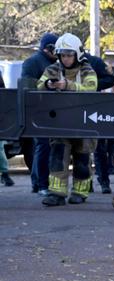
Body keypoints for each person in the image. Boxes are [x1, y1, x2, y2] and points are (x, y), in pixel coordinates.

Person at [37, 33, 98, 206]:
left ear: (77, 54)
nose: (66, 59)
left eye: (69, 55)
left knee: (82, 159)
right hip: (60, 122)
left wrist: (68, 86)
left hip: (84, 122)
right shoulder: (53, 69)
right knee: (58, 157)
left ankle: (80, 192)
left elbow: (91, 87)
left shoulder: (87, 69)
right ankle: (57, 193)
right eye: (62, 55)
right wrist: (49, 84)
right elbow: (39, 84)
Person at [21, 32, 59, 195]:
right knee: (42, 147)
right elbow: (28, 86)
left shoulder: (51, 63)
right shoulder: (33, 62)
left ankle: (39, 183)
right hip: (38, 111)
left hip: (49, 111)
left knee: (43, 148)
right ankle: (41, 184)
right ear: (48, 48)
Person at [85, 52, 114, 194]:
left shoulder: (94, 62)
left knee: (99, 148)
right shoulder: (62, 62)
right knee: (81, 149)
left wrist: (93, 85)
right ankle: (86, 181)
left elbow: (111, 79)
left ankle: (104, 181)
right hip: (73, 108)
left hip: (94, 107)